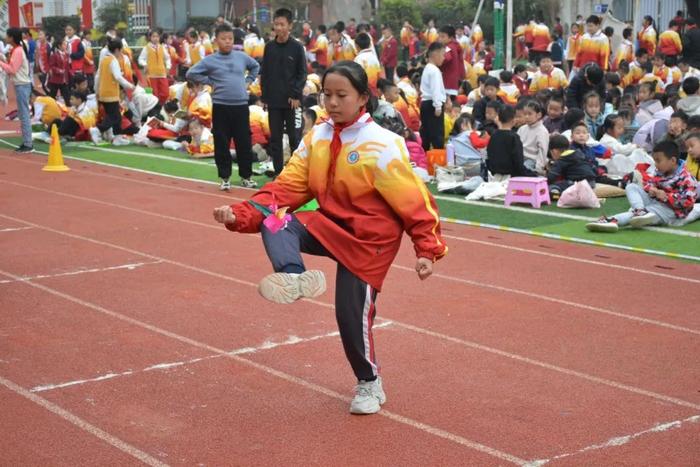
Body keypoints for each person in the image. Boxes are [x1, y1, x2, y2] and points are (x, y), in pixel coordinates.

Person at [212, 60, 447, 415]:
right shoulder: (317, 137)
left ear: (363, 98)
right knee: (276, 220)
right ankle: (293, 276)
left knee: (350, 317)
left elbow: (414, 201)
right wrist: (241, 213)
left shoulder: (382, 145)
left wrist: (427, 248)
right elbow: (285, 188)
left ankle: (369, 383)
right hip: (329, 225)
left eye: (342, 95)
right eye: (327, 94)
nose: (333, 102)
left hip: (370, 241)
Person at [187, 23, 261, 190]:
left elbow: (255, 66)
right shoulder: (210, 60)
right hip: (221, 107)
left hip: (241, 106)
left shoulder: (241, 56)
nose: (227, 42)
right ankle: (225, 178)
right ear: (216, 40)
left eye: (230, 39)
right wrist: (210, 81)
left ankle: (246, 177)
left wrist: (248, 82)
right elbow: (190, 73)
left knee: (243, 142)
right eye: (223, 39)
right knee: (222, 143)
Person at [587, 141, 696, 232]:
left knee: (647, 211)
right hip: (655, 201)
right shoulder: (661, 171)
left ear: (672, 160)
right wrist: (651, 189)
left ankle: (613, 220)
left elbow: (688, 202)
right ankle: (640, 210)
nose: (656, 164)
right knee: (631, 187)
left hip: (670, 211)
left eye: (658, 161)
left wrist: (666, 196)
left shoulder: (686, 178)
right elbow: (649, 183)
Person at [260, 8, 307, 179]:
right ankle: (279, 173)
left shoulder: (297, 47)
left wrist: (295, 95)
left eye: (282, 24)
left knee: (294, 139)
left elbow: (302, 74)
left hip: (292, 102)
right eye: (276, 24)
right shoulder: (269, 47)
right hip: (273, 101)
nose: (279, 28)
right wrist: (264, 97)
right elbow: (264, 73)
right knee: (276, 139)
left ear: (290, 26)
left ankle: (296, 174)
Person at [90, 39, 135, 145]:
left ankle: (117, 137)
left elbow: (98, 76)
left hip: (103, 92)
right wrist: (129, 86)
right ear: (117, 50)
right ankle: (97, 130)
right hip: (111, 93)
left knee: (116, 116)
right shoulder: (113, 60)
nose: (121, 53)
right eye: (121, 50)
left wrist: (96, 90)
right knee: (114, 116)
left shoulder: (103, 60)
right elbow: (118, 77)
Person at [0, 28, 33, 152]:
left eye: (8, 36)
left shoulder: (18, 51)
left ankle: (28, 144)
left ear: (12, 37)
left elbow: (12, 69)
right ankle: (26, 141)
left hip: (22, 85)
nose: (6, 37)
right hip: (21, 84)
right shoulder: (17, 49)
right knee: (23, 114)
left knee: (24, 114)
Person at [486, 105, 531, 180]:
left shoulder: (494, 135)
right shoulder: (514, 137)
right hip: (511, 177)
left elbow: (489, 155)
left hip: (494, 177)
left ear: (499, 119)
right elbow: (518, 162)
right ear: (513, 120)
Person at [546, 134, 597, 198]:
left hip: (578, 184)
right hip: (592, 182)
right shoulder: (579, 153)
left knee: (553, 186)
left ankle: (556, 193)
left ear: (554, 151)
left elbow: (551, 176)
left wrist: (543, 181)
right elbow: (592, 166)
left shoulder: (562, 159)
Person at [419, 42, 447, 151]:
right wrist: (438, 106)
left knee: (426, 133)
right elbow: (435, 89)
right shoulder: (434, 70)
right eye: (443, 54)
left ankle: (425, 157)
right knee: (437, 135)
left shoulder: (428, 68)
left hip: (426, 103)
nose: (444, 58)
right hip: (433, 104)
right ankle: (437, 160)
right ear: (435, 54)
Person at [138, 30, 172, 106]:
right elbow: (140, 59)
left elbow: (167, 58)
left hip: (162, 74)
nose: (155, 38)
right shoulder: (146, 48)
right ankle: (155, 110)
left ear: (159, 38)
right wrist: (145, 64)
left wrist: (168, 66)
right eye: (153, 36)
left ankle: (161, 106)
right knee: (152, 94)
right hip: (150, 75)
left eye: (157, 36)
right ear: (150, 38)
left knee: (165, 93)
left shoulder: (162, 47)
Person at [517, 99, 549, 174]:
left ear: (539, 115)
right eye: (525, 114)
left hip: (532, 160)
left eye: (530, 114)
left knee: (524, 169)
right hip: (520, 158)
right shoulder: (522, 129)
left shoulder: (542, 131)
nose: (527, 117)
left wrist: (539, 169)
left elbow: (542, 151)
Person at [438, 25, 465, 97]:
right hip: (454, 83)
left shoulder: (449, 47)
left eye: (443, 36)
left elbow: (446, 58)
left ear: (451, 37)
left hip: (448, 84)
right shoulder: (456, 46)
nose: (440, 39)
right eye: (439, 36)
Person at [46, 37, 71, 102]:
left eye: (66, 44)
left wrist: (71, 73)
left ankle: (69, 108)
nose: (66, 46)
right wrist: (59, 70)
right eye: (64, 44)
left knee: (67, 96)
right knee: (52, 96)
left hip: (64, 80)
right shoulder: (54, 55)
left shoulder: (66, 55)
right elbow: (52, 66)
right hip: (55, 80)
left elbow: (68, 66)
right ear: (59, 46)